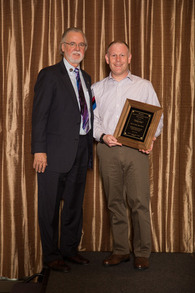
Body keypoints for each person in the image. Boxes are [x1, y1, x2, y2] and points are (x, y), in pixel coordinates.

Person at [92, 41, 163, 270]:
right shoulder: (96, 89)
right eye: (114, 55)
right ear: (106, 58)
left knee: (139, 202)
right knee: (114, 202)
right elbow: (92, 120)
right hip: (107, 150)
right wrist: (103, 136)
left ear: (129, 58)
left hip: (136, 151)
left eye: (122, 55)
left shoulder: (144, 86)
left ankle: (142, 252)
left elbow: (156, 118)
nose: (118, 59)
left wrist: (150, 138)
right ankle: (121, 250)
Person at [31, 27, 93, 273]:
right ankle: (51, 256)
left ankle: (69, 250)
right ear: (62, 47)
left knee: (74, 206)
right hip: (52, 154)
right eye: (72, 43)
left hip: (81, 153)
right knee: (49, 207)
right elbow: (39, 116)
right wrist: (39, 150)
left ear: (85, 50)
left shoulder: (86, 78)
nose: (77, 48)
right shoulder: (49, 75)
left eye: (81, 45)